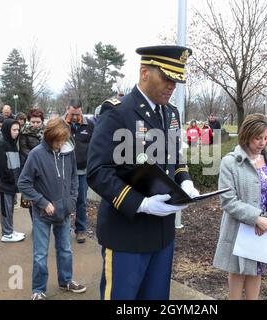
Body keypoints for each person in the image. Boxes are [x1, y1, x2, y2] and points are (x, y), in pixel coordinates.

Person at [87, 45, 199, 300]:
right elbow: (98, 171)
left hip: (162, 234)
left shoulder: (171, 113)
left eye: (176, 80)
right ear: (144, 72)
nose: (172, 86)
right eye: (167, 78)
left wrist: (186, 182)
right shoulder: (117, 112)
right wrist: (142, 204)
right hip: (127, 233)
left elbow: (175, 158)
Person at [213, 113, 267, 300]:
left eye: (266, 138)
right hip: (240, 228)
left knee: (257, 269)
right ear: (246, 135)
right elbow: (228, 200)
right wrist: (256, 218)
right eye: (258, 138)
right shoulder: (230, 162)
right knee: (238, 269)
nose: (263, 142)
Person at [18, 117, 86, 300]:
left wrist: (72, 200)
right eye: (57, 141)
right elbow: (23, 183)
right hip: (42, 213)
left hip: (64, 212)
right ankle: (38, 289)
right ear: (49, 137)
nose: (60, 144)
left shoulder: (68, 151)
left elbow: (74, 178)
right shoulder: (36, 154)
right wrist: (43, 202)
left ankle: (66, 281)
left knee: (65, 249)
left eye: (63, 140)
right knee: (40, 254)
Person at [62, 99, 94, 243]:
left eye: (77, 113)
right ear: (67, 109)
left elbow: (95, 146)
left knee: (81, 201)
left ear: (81, 110)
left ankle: (80, 230)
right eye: (72, 113)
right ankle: (64, 228)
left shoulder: (90, 125)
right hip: (64, 170)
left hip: (82, 171)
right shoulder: (61, 125)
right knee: (64, 200)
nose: (74, 117)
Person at [0, 119, 25, 242]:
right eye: (14, 130)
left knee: (10, 208)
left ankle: (10, 230)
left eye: (18, 129)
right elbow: (1, 167)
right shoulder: (2, 144)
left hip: (11, 184)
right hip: (4, 184)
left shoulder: (12, 143)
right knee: (5, 209)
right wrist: (10, 179)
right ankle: (6, 234)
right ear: (7, 130)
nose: (17, 132)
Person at [19, 108, 45, 219]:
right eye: (33, 122)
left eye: (38, 122)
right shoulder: (24, 132)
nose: (35, 124)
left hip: (45, 167)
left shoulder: (47, 131)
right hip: (30, 166)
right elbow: (24, 150)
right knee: (31, 197)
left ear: (42, 121)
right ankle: (34, 221)